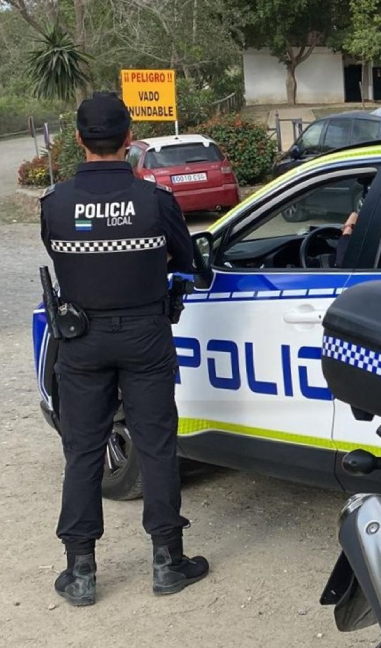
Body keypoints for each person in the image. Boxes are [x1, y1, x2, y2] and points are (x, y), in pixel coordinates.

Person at [40, 92, 208, 607]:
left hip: (80, 341)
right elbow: (187, 264)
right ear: (130, 139)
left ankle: (81, 571)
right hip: (146, 336)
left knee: (83, 450)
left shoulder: (54, 203)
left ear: (78, 139)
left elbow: (64, 258)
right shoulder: (156, 201)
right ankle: (167, 562)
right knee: (156, 445)